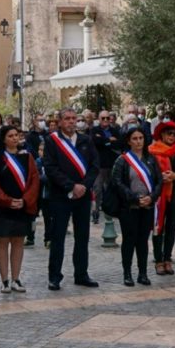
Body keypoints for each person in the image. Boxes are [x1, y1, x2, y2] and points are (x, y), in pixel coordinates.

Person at [43, 107, 100, 290]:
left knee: (82, 237)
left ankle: (81, 274)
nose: (71, 122)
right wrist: (71, 186)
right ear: (59, 121)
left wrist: (84, 186)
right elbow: (50, 168)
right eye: (67, 118)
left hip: (82, 196)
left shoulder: (86, 140)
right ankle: (54, 276)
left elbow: (94, 166)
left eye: (74, 118)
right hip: (60, 195)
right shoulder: (52, 141)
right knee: (58, 236)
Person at [0, 125, 39, 293]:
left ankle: (16, 279)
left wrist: (25, 200)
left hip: (22, 206)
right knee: (2, 242)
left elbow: (34, 180)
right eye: (10, 136)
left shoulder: (27, 157)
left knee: (18, 242)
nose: (15, 138)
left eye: (17, 135)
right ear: (3, 139)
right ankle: (5, 280)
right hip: (1, 207)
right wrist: (7, 201)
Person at [111, 127, 159, 286]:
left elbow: (159, 182)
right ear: (128, 141)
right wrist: (134, 198)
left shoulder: (151, 159)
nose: (138, 141)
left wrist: (151, 198)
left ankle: (143, 273)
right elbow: (117, 183)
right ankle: (127, 273)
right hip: (129, 207)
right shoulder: (122, 160)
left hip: (147, 206)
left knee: (143, 241)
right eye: (135, 138)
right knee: (129, 240)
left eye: (140, 138)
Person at [149, 121, 175, 276]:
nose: (171, 136)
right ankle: (158, 260)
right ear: (162, 135)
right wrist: (160, 178)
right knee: (158, 227)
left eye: (174, 134)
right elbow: (147, 172)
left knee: (171, 227)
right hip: (158, 195)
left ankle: (167, 259)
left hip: (174, 193)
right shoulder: (151, 152)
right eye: (168, 133)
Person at [91, 110, 120, 224]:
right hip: (99, 165)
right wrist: (108, 140)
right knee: (97, 189)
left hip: (112, 164)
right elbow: (95, 141)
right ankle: (95, 212)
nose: (106, 120)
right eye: (103, 118)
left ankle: (112, 210)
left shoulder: (115, 130)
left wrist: (103, 141)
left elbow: (119, 143)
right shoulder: (95, 130)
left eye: (108, 118)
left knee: (112, 188)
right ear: (99, 119)